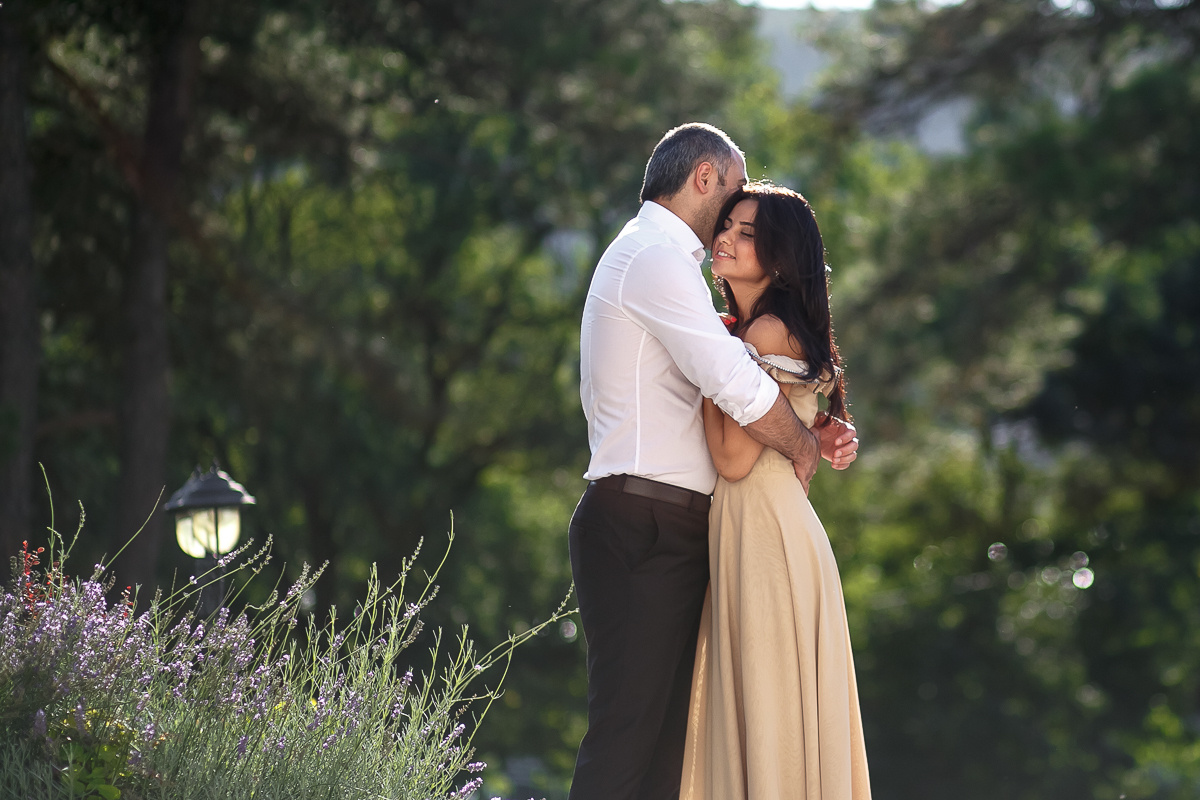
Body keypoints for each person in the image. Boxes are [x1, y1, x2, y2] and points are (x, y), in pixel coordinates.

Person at [569, 123, 858, 800]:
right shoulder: (655, 258)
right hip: (644, 521)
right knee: (628, 739)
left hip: (676, 527)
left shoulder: (665, 263)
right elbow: (734, 382)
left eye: (745, 224)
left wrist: (816, 422)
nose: (727, 225)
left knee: (670, 755)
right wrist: (804, 442)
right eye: (729, 199)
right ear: (704, 176)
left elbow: (748, 373)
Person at [679, 183, 871, 800]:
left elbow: (733, 459)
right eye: (726, 225)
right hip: (760, 533)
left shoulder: (759, 335)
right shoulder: (754, 330)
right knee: (767, 711)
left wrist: (717, 360)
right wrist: (814, 429)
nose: (726, 238)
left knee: (770, 711)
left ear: (782, 257)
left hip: (766, 541)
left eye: (747, 233)